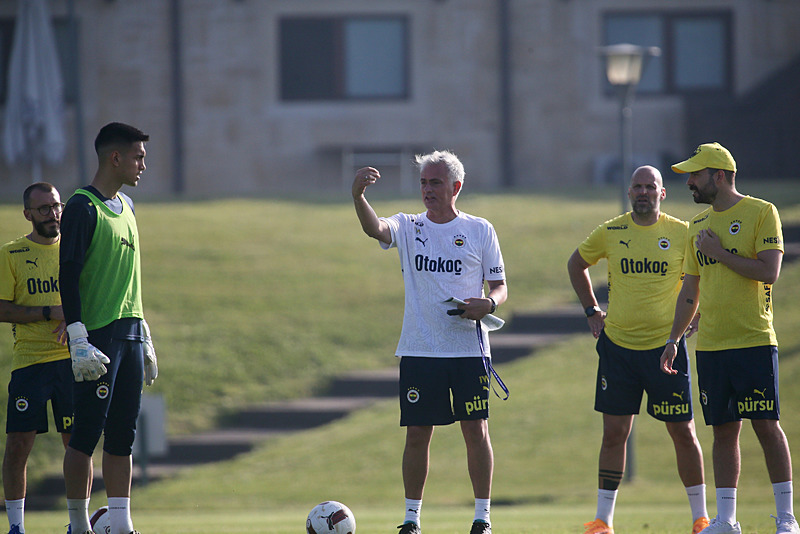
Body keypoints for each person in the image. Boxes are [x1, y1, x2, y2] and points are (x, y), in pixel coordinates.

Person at [352, 150, 507, 534]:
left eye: (435, 182)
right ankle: (411, 520)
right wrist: (359, 198)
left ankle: (482, 518)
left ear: (456, 186)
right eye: (423, 182)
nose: (427, 189)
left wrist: (488, 302)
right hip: (420, 349)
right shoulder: (408, 226)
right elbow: (376, 230)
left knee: (476, 430)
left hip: (469, 350)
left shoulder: (479, 230)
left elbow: (500, 286)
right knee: (418, 433)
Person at [660, 142, 798, 534]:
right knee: (723, 430)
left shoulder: (761, 212)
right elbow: (691, 290)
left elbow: (768, 271)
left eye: (696, 175)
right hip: (712, 346)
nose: (690, 182)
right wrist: (674, 339)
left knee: (765, 423)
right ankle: (727, 520)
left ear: (718, 176)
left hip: (753, 339)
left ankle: (786, 517)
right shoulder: (697, 226)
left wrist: (719, 253)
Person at [567, 166, 709, 534]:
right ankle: (603, 521)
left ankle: (701, 518)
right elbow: (576, 263)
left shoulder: (682, 233)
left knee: (683, 432)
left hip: (666, 350)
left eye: (651, 187)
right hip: (618, 350)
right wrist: (591, 310)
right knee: (614, 433)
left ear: (663, 194)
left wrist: (696, 312)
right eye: (637, 187)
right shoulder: (612, 231)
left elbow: (704, 276)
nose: (643, 192)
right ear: (629, 193)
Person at [59, 122, 158, 534]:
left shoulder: (130, 207)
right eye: (138, 157)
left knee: (123, 437)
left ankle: (122, 526)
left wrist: (144, 332)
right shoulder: (82, 206)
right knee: (85, 435)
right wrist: (78, 335)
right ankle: (78, 526)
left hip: (131, 334)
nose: (142, 165)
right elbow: (68, 274)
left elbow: (129, 278)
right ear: (114, 157)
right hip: (97, 336)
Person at [0, 183, 82, 534]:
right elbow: (3, 308)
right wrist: (52, 311)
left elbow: (95, 295)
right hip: (30, 362)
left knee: (77, 444)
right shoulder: (11, 254)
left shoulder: (76, 250)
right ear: (28, 214)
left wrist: (75, 318)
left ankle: (78, 523)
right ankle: (16, 526)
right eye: (44, 208)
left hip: (72, 359)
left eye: (57, 205)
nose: (53, 214)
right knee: (19, 445)